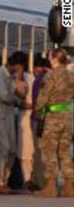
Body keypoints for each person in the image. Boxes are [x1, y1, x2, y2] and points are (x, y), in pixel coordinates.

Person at [34, 48, 74, 198]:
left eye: (51, 56)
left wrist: (37, 112)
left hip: (53, 117)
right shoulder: (72, 76)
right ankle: (70, 186)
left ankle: (51, 186)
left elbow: (42, 98)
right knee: (65, 151)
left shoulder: (50, 76)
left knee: (49, 150)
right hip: (68, 116)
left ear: (55, 58)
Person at [0, 51, 29, 194]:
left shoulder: (11, 77)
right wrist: (17, 96)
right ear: (17, 65)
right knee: (1, 148)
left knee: (12, 149)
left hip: (9, 115)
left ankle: (4, 180)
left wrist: (21, 101)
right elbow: (5, 96)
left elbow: (17, 97)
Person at [23, 55, 52, 190]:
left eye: (35, 68)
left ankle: (40, 182)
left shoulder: (39, 80)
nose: (34, 71)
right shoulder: (57, 78)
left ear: (39, 67)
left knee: (39, 151)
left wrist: (34, 115)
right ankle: (37, 180)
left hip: (40, 119)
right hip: (56, 119)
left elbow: (37, 102)